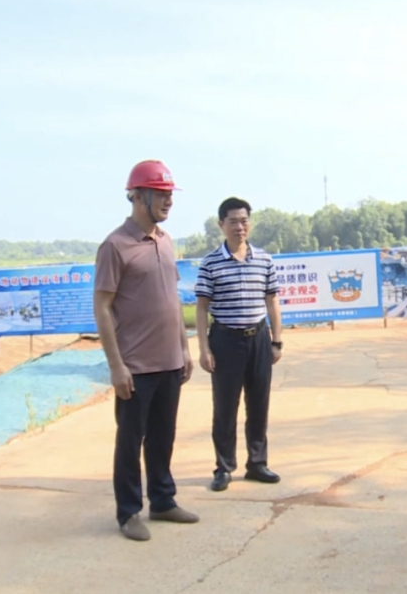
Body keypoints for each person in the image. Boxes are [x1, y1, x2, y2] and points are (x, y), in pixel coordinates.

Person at [93, 159, 198, 542]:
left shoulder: (166, 241)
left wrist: (184, 349)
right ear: (137, 196)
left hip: (170, 361)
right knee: (130, 441)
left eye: (170, 194)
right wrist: (116, 366)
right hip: (135, 366)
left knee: (163, 436)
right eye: (161, 194)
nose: (169, 201)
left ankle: (163, 501)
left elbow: (171, 299)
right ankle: (128, 512)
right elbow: (102, 307)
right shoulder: (115, 246)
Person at [195, 197, 283, 492]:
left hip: (258, 339)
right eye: (232, 221)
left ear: (250, 223)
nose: (239, 227)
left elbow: (272, 301)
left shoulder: (264, 260)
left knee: (258, 404)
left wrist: (276, 341)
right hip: (225, 340)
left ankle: (257, 463)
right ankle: (224, 467)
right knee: (225, 407)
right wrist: (204, 348)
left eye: (244, 221)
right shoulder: (210, 263)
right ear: (221, 225)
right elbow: (201, 308)